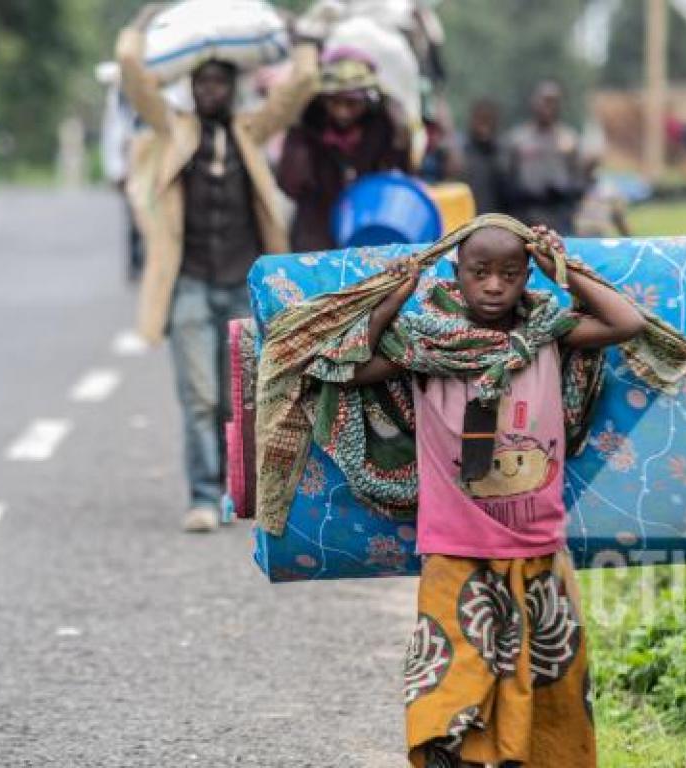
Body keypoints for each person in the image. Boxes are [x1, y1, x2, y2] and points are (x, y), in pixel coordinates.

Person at [345, 220, 645, 767]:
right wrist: (396, 297)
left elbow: (627, 322)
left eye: (509, 274)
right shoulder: (426, 346)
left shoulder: (548, 336)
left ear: (527, 276)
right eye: (479, 273)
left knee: (542, 677)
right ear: (456, 275)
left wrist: (566, 268)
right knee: (449, 672)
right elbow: (355, 362)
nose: (493, 287)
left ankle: (516, 756)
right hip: (454, 544)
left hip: (537, 544)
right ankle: (446, 752)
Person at [115, 4, 320, 533]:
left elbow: (301, 86)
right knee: (200, 396)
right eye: (201, 83)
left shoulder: (251, 131)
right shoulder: (171, 130)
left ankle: (239, 493)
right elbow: (135, 78)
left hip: (242, 285)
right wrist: (137, 31)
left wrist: (299, 38)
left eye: (218, 83)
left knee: (243, 400)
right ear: (190, 88)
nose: (210, 91)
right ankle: (203, 496)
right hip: (187, 283)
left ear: (233, 87)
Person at [278, 47, 414, 251]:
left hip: (368, 233)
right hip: (316, 236)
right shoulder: (307, 128)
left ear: (368, 101)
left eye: (352, 103)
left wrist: (399, 123)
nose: (343, 112)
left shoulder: (382, 127)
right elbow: (290, 185)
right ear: (323, 100)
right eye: (335, 102)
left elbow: (402, 171)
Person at [502, 81, 584, 234]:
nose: (548, 107)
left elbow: (578, 179)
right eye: (544, 101)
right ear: (534, 103)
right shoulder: (518, 139)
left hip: (559, 216)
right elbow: (507, 177)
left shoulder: (569, 139)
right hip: (525, 215)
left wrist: (566, 191)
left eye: (553, 102)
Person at [100, 82, 145, 282]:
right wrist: (116, 171)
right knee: (133, 216)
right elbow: (112, 135)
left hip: (153, 165)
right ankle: (136, 261)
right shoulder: (118, 98)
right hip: (131, 168)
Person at [458, 99, 505, 214]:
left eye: (488, 120)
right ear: (472, 121)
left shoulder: (503, 154)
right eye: (480, 120)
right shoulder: (460, 154)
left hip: (494, 221)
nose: (484, 126)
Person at [573, 155, 631, 238]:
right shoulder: (575, 189)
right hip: (580, 236)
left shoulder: (609, 190)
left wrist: (629, 239)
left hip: (598, 235)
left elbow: (619, 218)